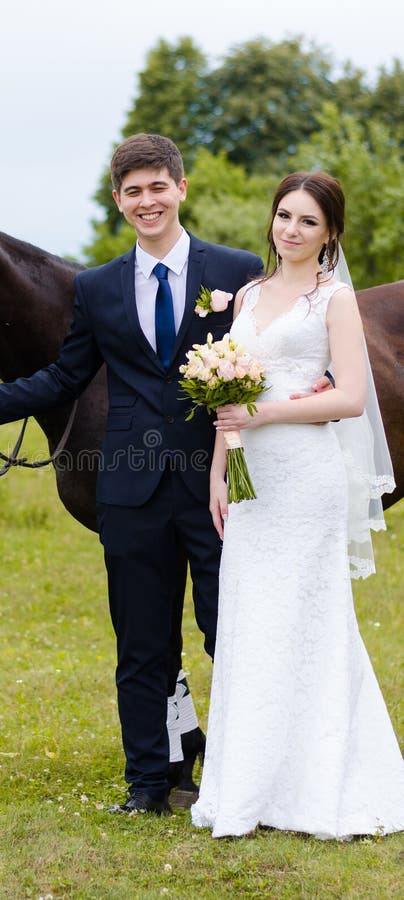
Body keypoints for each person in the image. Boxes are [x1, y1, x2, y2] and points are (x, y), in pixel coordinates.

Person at [0, 133, 264, 814]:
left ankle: (240, 778)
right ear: (118, 201)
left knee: (231, 631)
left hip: (219, 487)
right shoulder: (98, 287)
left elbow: (266, 365)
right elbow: (64, 375)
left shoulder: (237, 269)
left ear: (181, 189)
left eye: (157, 187)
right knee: (141, 643)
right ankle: (148, 785)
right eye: (133, 191)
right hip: (130, 488)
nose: (147, 201)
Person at [191, 171, 404, 839]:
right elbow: (228, 393)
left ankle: (320, 786)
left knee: (308, 622)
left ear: (330, 233)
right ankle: (248, 785)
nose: (291, 230)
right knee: (251, 622)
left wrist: (267, 410)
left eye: (308, 221)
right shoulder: (249, 294)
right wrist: (220, 474)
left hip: (307, 478)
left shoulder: (333, 300)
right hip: (253, 477)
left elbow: (346, 399)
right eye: (285, 216)